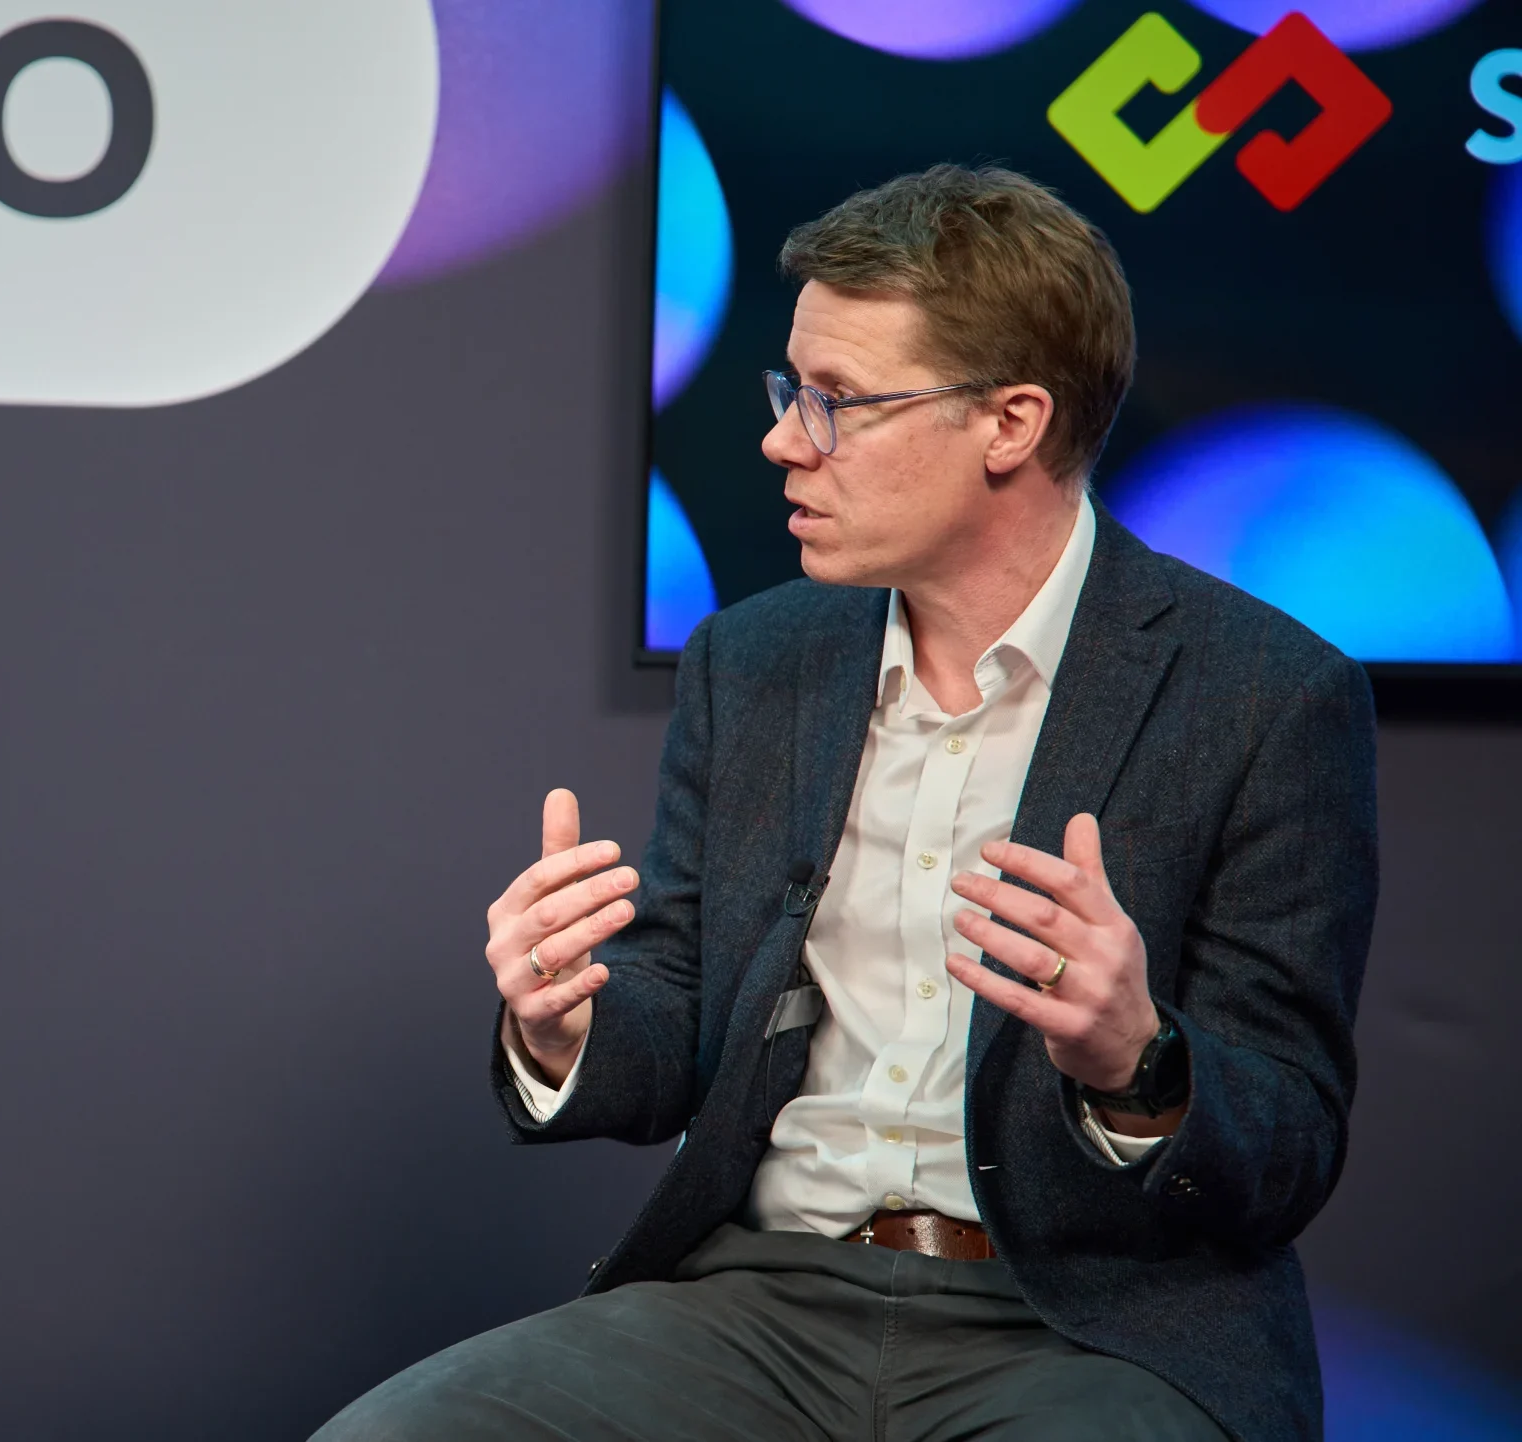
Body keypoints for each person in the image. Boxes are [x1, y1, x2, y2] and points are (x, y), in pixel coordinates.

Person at [314, 166, 1377, 1442]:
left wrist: (1133, 1060)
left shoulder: (1262, 693)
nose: (780, 439)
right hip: (762, 1304)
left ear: (1011, 422)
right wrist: (561, 1022)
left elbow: (1290, 1142)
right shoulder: (758, 662)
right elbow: (676, 1025)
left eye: (836, 403)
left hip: (1088, 1325)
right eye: (788, 392)